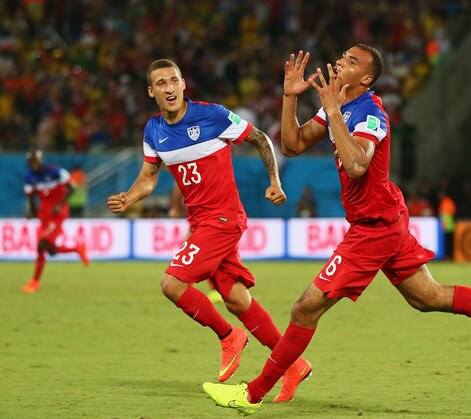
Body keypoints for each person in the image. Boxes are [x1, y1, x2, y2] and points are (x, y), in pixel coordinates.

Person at [203, 45, 471, 415]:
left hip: (374, 228)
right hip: (383, 218)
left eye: (352, 61)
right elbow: (293, 145)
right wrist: (289, 98)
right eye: (343, 55)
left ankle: (251, 395)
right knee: (429, 296)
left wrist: (331, 111)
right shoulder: (340, 103)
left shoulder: (371, 113)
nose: (342, 60)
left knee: (305, 308)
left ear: (366, 79)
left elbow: (358, 165)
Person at [106, 59, 311, 402]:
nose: (169, 88)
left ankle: (230, 337)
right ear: (151, 91)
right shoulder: (153, 130)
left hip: (223, 218)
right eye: (161, 83)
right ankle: (294, 364)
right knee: (235, 298)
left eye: (173, 81)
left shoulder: (212, 116)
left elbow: (260, 139)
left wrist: (274, 181)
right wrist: (129, 197)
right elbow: (149, 178)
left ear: (184, 83)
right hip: (201, 221)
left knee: (171, 284)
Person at [22, 150, 90, 293]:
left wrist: (60, 204)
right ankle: (77, 248)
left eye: (35, 161)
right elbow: (31, 198)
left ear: (41, 160)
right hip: (44, 215)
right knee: (50, 250)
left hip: (57, 213)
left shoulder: (55, 171)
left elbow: (72, 188)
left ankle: (34, 281)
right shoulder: (29, 177)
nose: (33, 164)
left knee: (41, 245)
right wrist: (31, 212)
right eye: (30, 161)